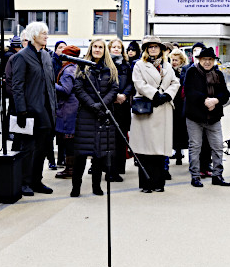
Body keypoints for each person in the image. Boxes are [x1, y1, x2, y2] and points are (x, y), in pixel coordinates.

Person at [10, 22, 58, 196]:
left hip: (47, 111)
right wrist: (21, 110)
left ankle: (37, 181)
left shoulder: (46, 56)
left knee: (43, 148)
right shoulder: (21, 57)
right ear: (34, 36)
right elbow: (17, 86)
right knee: (28, 149)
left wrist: (55, 107)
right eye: (43, 33)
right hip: (30, 111)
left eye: (46, 33)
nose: (46, 36)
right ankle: (25, 182)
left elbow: (51, 85)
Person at [130, 36, 181, 193]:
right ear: (146, 49)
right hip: (147, 108)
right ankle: (146, 184)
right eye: (150, 47)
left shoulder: (167, 65)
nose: (153, 49)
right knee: (146, 150)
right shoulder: (140, 65)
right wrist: (155, 95)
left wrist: (167, 95)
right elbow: (138, 83)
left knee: (159, 150)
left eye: (156, 47)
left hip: (163, 109)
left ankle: (159, 183)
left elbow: (175, 82)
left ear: (160, 49)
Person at [70, 39, 119, 197]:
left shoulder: (110, 69)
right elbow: (78, 88)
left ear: (104, 50)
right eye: (95, 47)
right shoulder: (82, 67)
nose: (97, 49)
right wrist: (92, 105)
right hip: (86, 114)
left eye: (100, 47)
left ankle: (96, 186)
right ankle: (76, 186)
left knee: (99, 154)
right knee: (80, 154)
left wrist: (102, 105)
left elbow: (114, 88)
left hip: (103, 114)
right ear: (90, 49)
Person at [183, 46, 230, 187]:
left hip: (214, 117)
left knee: (217, 147)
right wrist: (205, 100)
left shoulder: (218, 74)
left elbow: (225, 93)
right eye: (204, 59)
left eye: (210, 59)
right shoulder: (191, 71)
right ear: (199, 60)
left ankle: (217, 175)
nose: (207, 62)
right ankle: (195, 176)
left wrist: (215, 100)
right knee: (195, 146)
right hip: (195, 116)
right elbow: (189, 91)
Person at [53, 44, 81, 180]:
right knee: (70, 140)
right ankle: (71, 168)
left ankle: (70, 169)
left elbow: (65, 90)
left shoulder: (68, 70)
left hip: (68, 110)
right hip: (72, 108)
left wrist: (51, 84)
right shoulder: (75, 68)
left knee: (69, 140)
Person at [107, 38, 133, 182]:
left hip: (123, 106)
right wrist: (114, 95)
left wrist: (124, 95)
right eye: (114, 47)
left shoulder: (126, 65)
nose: (116, 49)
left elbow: (130, 83)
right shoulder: (105, 64)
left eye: (119, 47)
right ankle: (110, 171)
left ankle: (119, 168)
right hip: (110, 106)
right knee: (110, 140)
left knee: (121, 138)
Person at [169, 48, 190, 166]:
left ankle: (180, 153)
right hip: (173, 102)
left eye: (176, 60)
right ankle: (176, 152)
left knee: (182, 129)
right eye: (172, 60)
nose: (174, 62)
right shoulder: (169, 71)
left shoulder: (185, 70)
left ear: (181, 60)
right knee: (174, 129)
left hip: (182, 103)